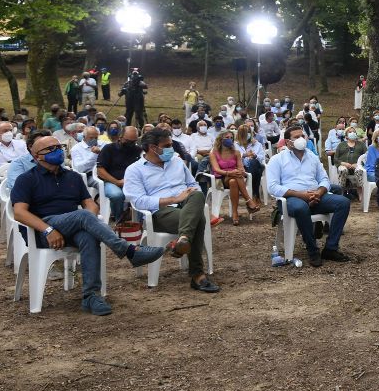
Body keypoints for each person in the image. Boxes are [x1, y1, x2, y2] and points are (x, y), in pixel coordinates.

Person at [11, 135, 167, 315]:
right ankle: (129, 251)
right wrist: (48, 229)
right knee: (83, 216)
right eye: (51, 149)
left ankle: (91, 296)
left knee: (88, 236)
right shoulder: (27, 179)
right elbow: (20, 212)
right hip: (43, 230)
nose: (58, 151)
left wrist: (89, 222)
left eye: (59, 147)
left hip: (73, 225)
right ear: (37, 156)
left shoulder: (73, 177)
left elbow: (90, 203)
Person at [123, 129, 219, 293]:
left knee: (196, 195)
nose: (171, 149)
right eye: (166, 146)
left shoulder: (176, 161)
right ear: (153, 148)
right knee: (199, 220)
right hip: (160, 212)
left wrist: (187, 196)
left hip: (188, 206)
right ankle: (197, 274)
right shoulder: (134, 170)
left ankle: (183, 239)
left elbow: (193, 185)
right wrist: (173, 200)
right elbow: (137, 201)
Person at [265, 125, 352, 267]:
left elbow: (324, 179)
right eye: (296, 137)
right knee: (301, 208)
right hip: (290, 199)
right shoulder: (277, 160)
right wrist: (301, 195)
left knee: (343, 202)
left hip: (316, 196)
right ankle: (312, 250)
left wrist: (319, 192)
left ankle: (330, 248)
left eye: (302, 136)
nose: (301, 139)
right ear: (288, 142)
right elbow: (273, 187)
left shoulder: (313, 157)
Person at [209, 131, 260, 224]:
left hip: (235, 178)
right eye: (227, 137)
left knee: (233, 181)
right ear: (220, 139)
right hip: (221, 178)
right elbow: (216, 169)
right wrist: (229, 173)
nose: (230, 139)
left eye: (231, 137)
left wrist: (238, 171)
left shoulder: (236, 152)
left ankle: (235, 213)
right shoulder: (214, 153)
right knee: (236, 176)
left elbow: (241, 167)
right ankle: (249, 201)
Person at [95, 125, 141, 222]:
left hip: (131, 182)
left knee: (143, 195)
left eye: (134, 141)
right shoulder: (109, 148)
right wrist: (117, 182)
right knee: (117, 195)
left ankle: (139, 222)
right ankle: (119, 219)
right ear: (120, 137)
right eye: (128, 141)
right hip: (111, 181)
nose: (131, 144)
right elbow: (100, 170)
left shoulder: (137, 150)